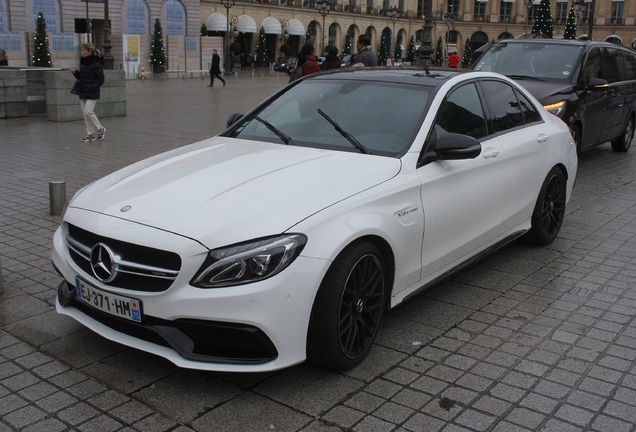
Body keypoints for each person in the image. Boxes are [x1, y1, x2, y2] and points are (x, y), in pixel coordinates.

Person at [70, 43, 106, 143]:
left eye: (83, 50)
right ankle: (90, 134)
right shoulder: (83, 61)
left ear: (89, 52)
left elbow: (101, 79)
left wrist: (92, 87)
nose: (81, 52)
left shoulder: (96, 63)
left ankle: (100, 128)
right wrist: (76, 73)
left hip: (92, 91)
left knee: (88, 111)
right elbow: (82, 77)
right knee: (85, 114)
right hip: (83, 90)